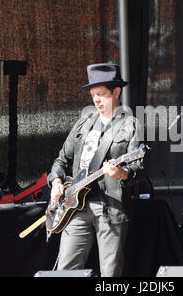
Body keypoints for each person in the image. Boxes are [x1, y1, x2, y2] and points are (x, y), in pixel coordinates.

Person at [48, 62, 144, 277]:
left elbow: (139, 167)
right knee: (66, 270)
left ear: (117, 91)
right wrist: (55, 182)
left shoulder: (130, 125)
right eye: (93, 95)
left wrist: (121, 173)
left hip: (109, 207)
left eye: (101, 94)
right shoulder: (83, 124)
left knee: (110, 274)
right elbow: (61, 160)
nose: (96, 100)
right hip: (75, 207)